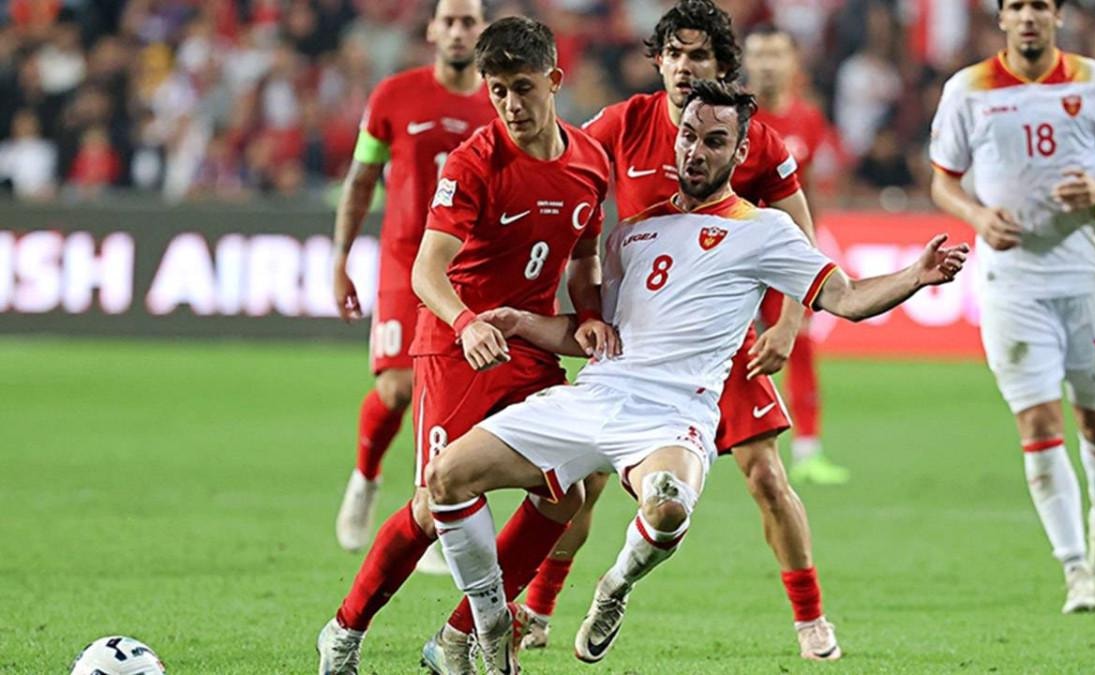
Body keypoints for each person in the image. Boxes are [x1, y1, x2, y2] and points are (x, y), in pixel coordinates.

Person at [424, 79, 969, 673]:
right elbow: (595, 335)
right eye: (688, 136)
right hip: (596, 394)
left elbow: (847, 296)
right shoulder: (632, 234)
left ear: (739, 152)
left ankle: (614, 586)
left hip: (674, 414)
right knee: (446, 477)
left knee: (667, 508)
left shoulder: (765, 230)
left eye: (714, 141)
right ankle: (481, 624)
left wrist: (914, 277)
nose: (696, 151)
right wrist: (523, 322)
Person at [517, 0, 839, 660]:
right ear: (658, 60)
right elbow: (568, 174)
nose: (686, 66)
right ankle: (539, 609)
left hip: (718, 346)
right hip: (635, 344)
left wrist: (787, 323)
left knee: (766, 477)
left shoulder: (749, 136)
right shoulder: (623, 123)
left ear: (722, 66)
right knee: (582, 482)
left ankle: (811, 621)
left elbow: (803, 239)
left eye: (700, 55)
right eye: (675, 53)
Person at [318, 16, 613, 675]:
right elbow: (427, 271)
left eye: (522, 87)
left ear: (554, 80)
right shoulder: (474, 161)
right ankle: (344, 630)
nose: (509, 103)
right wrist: (465, 323)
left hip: (528, 348)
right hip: (456, 349)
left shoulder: (591, 163)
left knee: (570, 491)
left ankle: (458, 635)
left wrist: (590, 314)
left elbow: (585, 256)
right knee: (433, 507)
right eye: (497, 89)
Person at [930, 0, 1095, 614]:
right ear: (1001, 18)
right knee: (1036, 422)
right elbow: (943, 180)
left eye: (1040, 6)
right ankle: (1076, 567)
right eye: (1017, 6)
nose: (1028, 16)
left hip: (1082, 275)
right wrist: (977, 216)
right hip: (1010, 282)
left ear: (1058, 16)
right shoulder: (968, 89)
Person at [330, 0, 495, 572]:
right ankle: (365, 476)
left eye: (468, 21)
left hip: (471, 266)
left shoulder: (500, 102)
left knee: (453, 397)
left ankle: (433, 513)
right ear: (431, 30)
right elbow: (361, 179)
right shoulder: (393, 97)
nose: (457, 31)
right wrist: (341, 256)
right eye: (449, 21)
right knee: (399, 387)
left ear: (482, 31)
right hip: (406, 261)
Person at [743, 23, 849, 485]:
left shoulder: (808, 118)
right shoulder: (730, 115)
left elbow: (807, 193)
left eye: (776, 54)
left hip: (783, 256)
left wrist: (811, 245)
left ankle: (808, 451)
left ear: (792, 63)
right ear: (745, 62)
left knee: (798, 343)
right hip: (733, 256)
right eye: (759, 55)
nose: (767, 64)